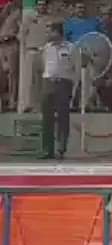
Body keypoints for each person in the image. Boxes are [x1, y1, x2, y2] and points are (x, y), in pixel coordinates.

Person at [40, 21, 75, 160]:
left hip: (63, 83)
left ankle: (61, 148)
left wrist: (73, 85)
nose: (48, 34)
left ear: (57, 32)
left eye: (50, 31)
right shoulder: (46, 48)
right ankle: (47, 150)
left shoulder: (70, 48)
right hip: (48, 82)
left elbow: (75, 68)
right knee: (47, 118)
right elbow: (44, 64)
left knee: (63, 117)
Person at [18, 0, 57, 114]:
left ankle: (43, 106)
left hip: (47, 52)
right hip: (32, 51)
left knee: (46, 81)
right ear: (36, 6)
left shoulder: (52, 19)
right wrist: (26, 49)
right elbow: (21, 35)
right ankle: (29, 105)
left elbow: (56, 35)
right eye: (39, 4)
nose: (41, 7)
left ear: (47, 6)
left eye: (43, 4)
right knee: (30, 80)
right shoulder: (29, 19)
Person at [0, 0, 19, 112]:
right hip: (1, 46)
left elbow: (21, 30)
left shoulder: (16, 15)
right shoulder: (2, 17)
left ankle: (13, 101)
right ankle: (2, 102)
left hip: (11, 45)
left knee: (12, 74)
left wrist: (11, 36)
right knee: (1, 75)